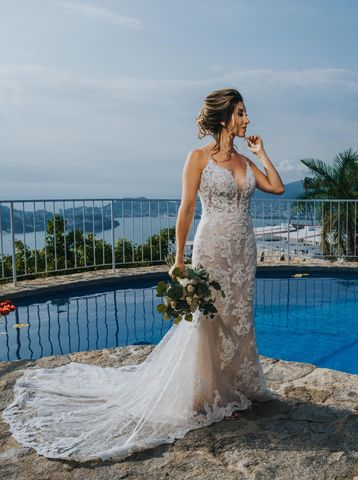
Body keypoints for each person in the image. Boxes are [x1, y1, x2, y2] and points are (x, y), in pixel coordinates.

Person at [2, 88, 285, 461]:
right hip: (212, 246)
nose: (247, 119)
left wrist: (261, 152)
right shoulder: (197, 159)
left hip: (243, 252)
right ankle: (206, 395)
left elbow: (277, 186)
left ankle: (236, 386)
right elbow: (185, 211)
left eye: (246, 112)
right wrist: (179, 259)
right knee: (207, 319)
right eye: (242, 113)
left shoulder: (247, 162)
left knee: (238, 317)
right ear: (224, 118)